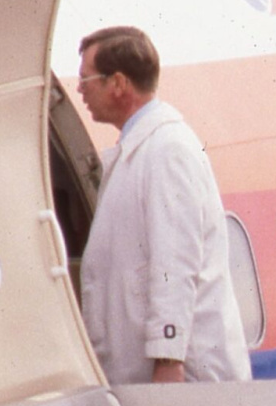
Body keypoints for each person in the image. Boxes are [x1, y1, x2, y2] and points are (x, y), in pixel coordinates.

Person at [76, 27, 251, 384]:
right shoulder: (140, 149)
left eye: (86, 79)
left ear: (119, 83)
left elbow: (176, 261)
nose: (79, 89)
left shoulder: (168, 150)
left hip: (183, 375)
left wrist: (168, 360)